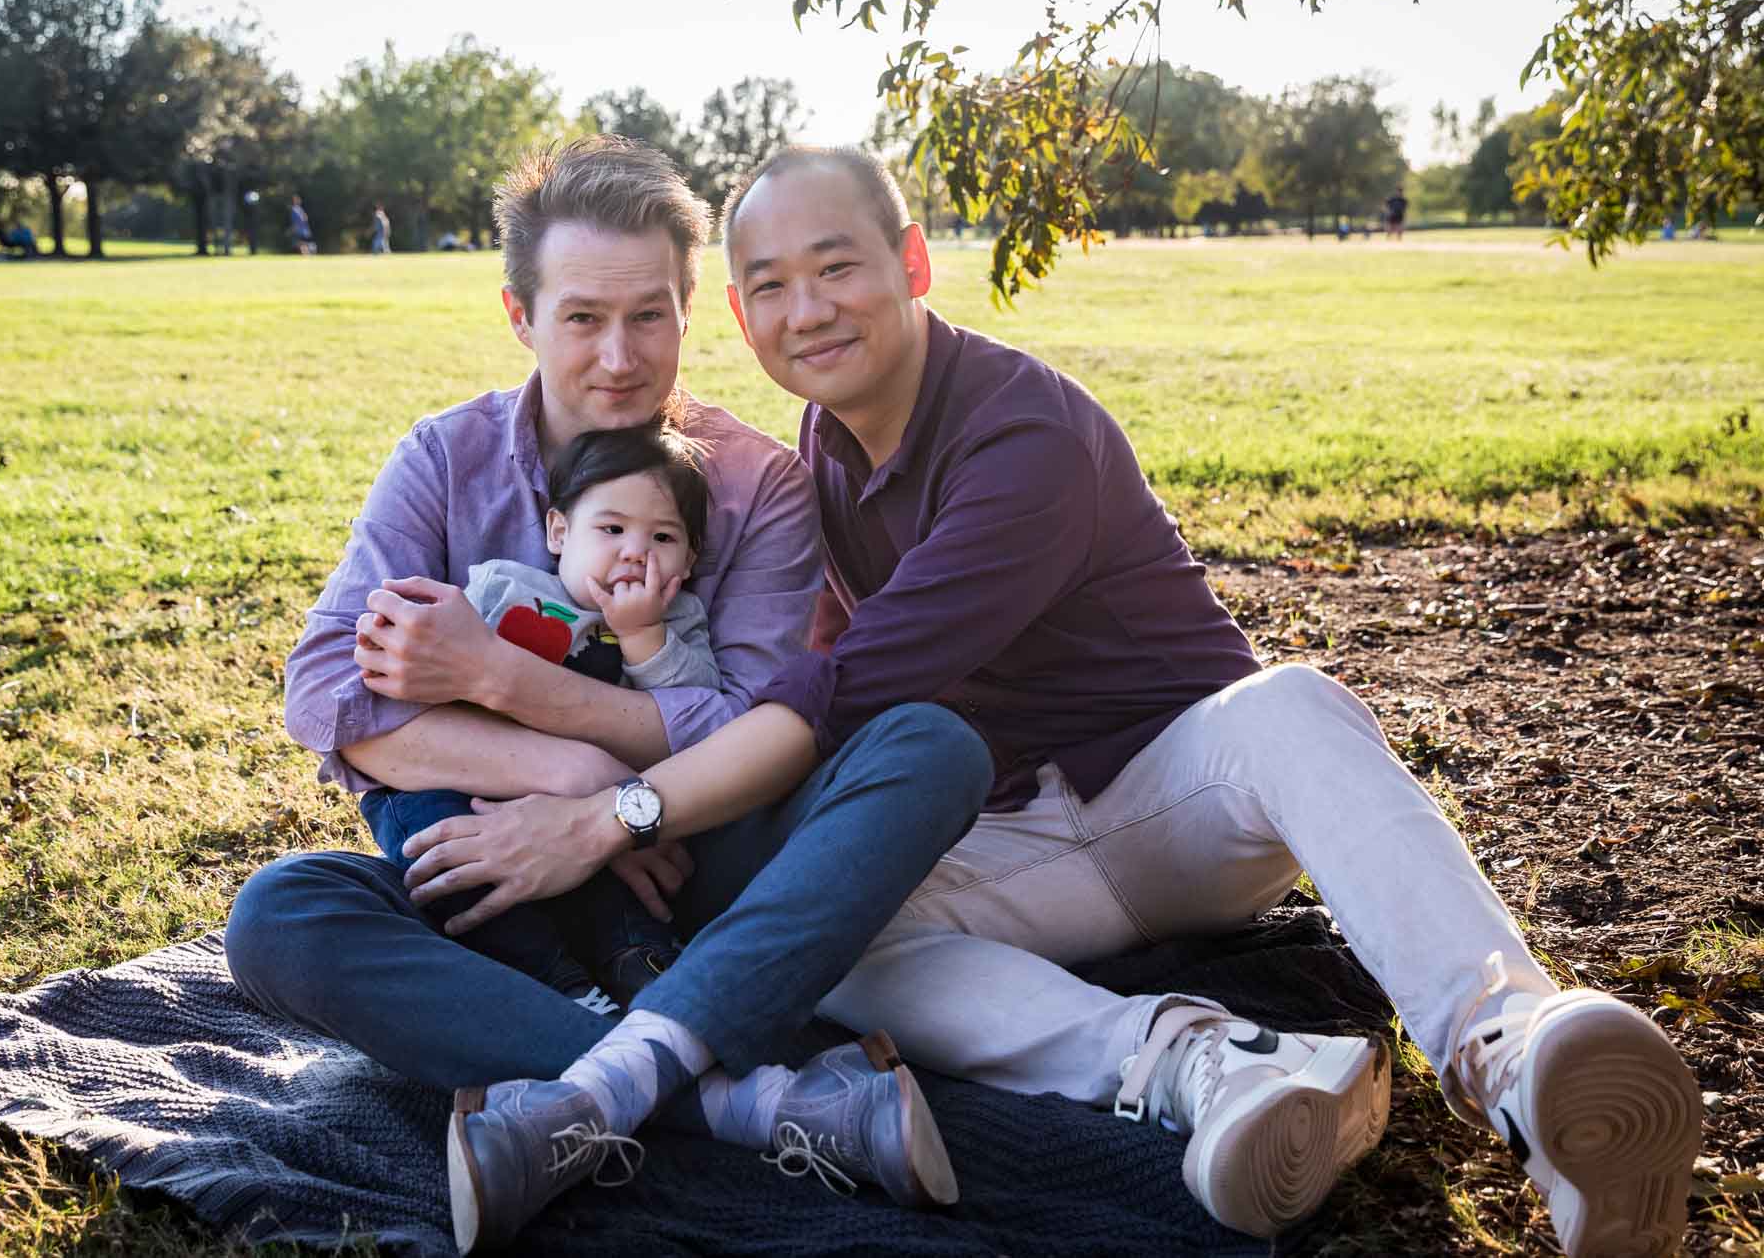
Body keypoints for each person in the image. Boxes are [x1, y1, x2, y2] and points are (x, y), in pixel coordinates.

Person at [682, 144, 1697, 1256]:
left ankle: (1512, 1051)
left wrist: (626, 805)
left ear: (913, 262)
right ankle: (1201, 1062)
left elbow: (849, 678)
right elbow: (826, 654)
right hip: (1019, 841)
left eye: (835, 266)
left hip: (1180, 799)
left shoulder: (1022, 433)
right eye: (771, 284)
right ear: (739, 315)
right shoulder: (823, 445)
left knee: (1289, 702)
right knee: (832, 921)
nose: (807, 309)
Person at [222, 138, 994, 1254]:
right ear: (518, 314)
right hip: (499, 883)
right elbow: (329, 691)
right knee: (280, 916)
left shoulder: (753, 481)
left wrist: (502, 688)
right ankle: (744, 1099)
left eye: (651, 317)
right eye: (582, 318)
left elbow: (746, 723)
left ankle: (596, 1088)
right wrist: (566, 776)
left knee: (926, 745)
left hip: (701, 869)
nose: (621, 358)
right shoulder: (443, 461)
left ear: (691, 311)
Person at [363, 425, 720, 1013]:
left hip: (590, 819)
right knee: (443, 850)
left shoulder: (678, 623)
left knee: (622, 881)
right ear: (560, 531)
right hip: (470, 784)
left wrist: (642, 637)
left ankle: (644, 967)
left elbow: (695, 721)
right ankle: (555, 987)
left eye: (662, 537)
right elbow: (407, 684)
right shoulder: (502, 591)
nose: (635, 552)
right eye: (611, 529)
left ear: (690, 558)